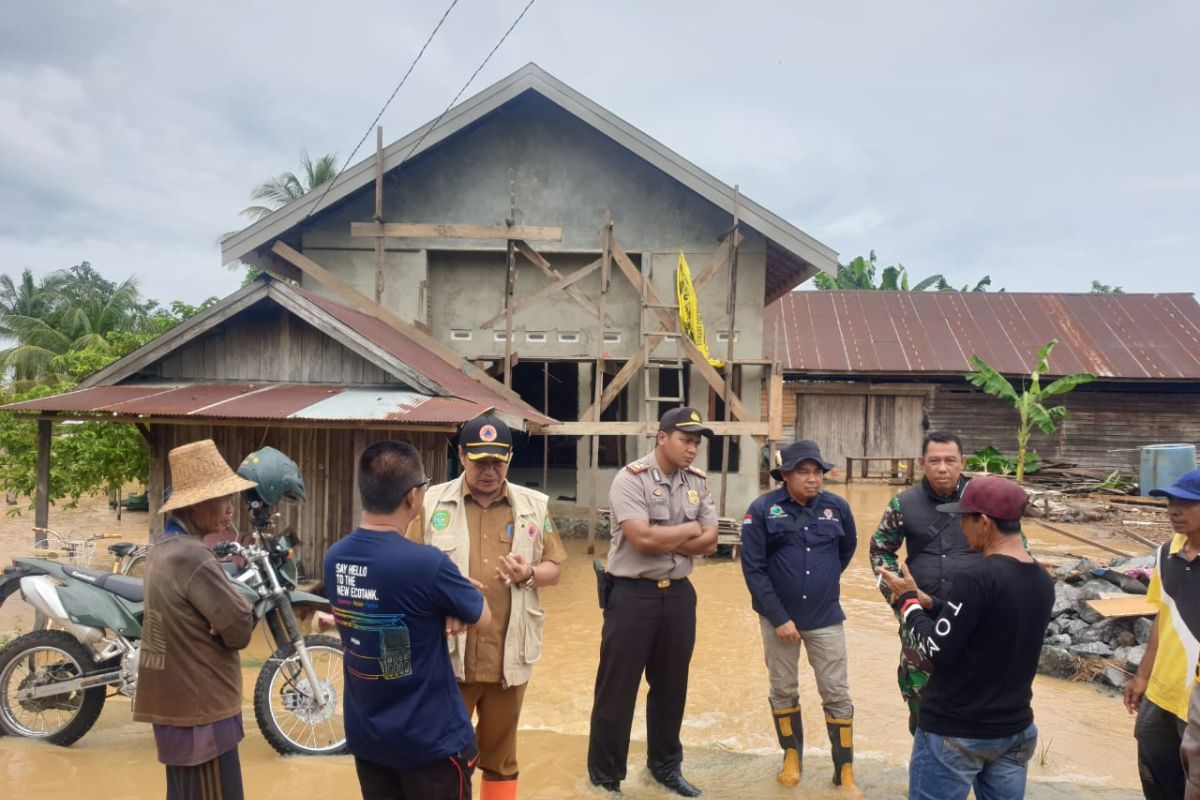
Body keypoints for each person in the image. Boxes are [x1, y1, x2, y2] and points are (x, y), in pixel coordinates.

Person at [407, 416, 566, 800]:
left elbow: (555, 568)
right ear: (461, 456)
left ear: (509, 459)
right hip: (448, 657)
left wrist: (529, 573)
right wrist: (439, 600)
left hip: (507, 656)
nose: (490, 471)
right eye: (480, 462)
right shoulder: (430, 503)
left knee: (501, 759)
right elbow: (408, 571)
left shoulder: (533, 506)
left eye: (498, 462)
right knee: (442, 755)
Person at [325, 440, 492, 800]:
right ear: (413, 497)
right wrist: (455, 595)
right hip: (429, 743)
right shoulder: (427, 564)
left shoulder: (335, 558)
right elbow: (482, 616)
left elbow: (380, 605)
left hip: (368, 737)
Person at [877, 475, 1052, 800]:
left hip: (956, 730)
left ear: (984, 522)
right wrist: (935, 604)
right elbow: (991, 626)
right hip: (1015, 729)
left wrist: (908, 603)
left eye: (963, 519)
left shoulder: (975, 578)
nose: (960, 529)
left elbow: (936, 651)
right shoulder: (1041, 579)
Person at [587, 406, 718, 796]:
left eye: (696, 442)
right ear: (662, 438)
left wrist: (674, 533)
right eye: (685, 440)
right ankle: (606, 777)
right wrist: (690, 529)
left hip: (679, 597)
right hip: (631, 596)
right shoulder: (631, 480)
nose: (692, 449)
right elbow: (640, 539)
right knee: (617, 689)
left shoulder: (697, 481)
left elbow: (711, 540)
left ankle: (665, 768)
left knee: (672, 687)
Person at [133, 439, 258, 800]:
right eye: (223, 499)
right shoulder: (193, 557)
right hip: (201, 715)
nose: (230, 509)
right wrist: (235, 615)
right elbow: (238, 630)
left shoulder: (162, 548)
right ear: (197, 504)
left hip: (178, 711)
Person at [740, 439, 858, 789]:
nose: (812, 479)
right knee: (783, 689)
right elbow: (754, 570)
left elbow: (846, 550)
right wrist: (780, 617)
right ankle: (792, 756)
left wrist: (821, 583)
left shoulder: (837, 508)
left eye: (817, 472)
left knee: (837, 691)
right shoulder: (762, 510)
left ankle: (845, 770)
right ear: (785, 475)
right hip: (779, 620)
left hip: (826, 617)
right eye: (803, 472)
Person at [869, 431, 977, 734]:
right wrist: (901, 598)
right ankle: (924, 767)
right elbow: (881, 551)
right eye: (934, 461)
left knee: (977, 700)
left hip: (975, 619)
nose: (942, 468)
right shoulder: (903, 504)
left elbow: (1011, 550)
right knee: (922, 702)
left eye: (950, 461)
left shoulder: (983, 500)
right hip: (920, 618)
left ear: (962, 462)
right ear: (921, 463)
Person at [1128, 468, 1200, 799]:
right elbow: (1163, 616)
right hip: (1161, 694)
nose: (1174, 510)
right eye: (1170, 501)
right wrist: (1142, 677)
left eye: (1186, 503)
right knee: (1156, 776)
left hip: (1195, 703)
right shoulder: (1166, 553)